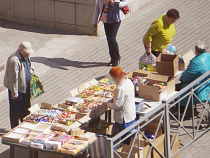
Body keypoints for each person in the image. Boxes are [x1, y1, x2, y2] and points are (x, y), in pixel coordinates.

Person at [4, 41, 34, 128]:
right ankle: (15, 128)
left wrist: (31, 70)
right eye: (26, 53)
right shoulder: (14, 60)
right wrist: (14, 93)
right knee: (15, 111)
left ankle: (25, 126)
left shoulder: (26, 56)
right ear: (20, 50)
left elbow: (28, 66)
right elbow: (13, 79)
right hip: (17, 90)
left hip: (25, 88)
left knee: (26, 109)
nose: (28, 55)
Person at [104, 67, 136, 144]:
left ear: (116, 78)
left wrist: (107, 104)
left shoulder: (120, 88)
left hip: (124, 119)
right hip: (131, 115)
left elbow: (117, 106)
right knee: (130, 139)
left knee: (124, 141)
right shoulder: (128, 82)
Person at [92, 0, 129, 66]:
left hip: (116, 19)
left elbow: (126, 2)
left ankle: (117, 57)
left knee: (112, 39)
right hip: (106, 19)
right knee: (109, 39)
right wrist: (94, 22)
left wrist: (115, 3)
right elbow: (97, 7)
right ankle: (112, 58)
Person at [180, 40, 210, 112]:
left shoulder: (196, 62)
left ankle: (181, 112)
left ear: (196, 50)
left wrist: (181, 77)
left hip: (198, 90)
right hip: (207, 86)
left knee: (180, 87)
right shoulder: (208, 56)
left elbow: (185, 77)